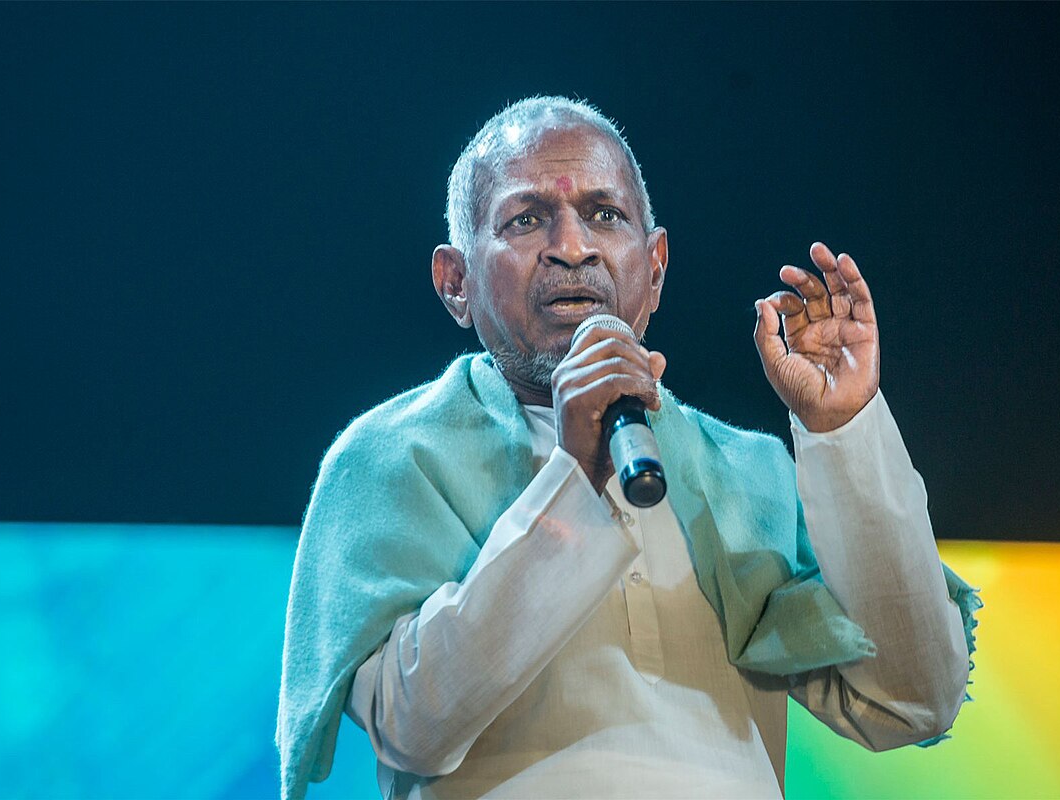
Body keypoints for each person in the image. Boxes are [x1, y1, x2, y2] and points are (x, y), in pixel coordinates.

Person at [276, 96, 980, 800]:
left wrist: (845, 430)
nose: (572, 247)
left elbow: (913, 699)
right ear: (455, 283)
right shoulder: (390, 458)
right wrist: (576, 477)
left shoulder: (747, 473)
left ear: (656, 267)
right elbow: (412, 725)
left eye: (605, 215)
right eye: (526, 219)